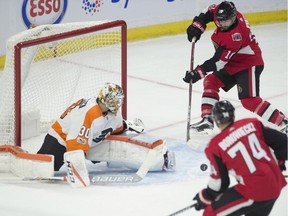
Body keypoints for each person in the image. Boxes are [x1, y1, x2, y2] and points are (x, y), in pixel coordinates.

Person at [183, 1, 287, 133]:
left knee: (249, 101)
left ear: (233, 17)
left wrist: (198, 72)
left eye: (226, 22)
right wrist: (197, 26)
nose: (223, 25)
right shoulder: (222, 12)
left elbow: (218, 62)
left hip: (248, 62)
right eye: (220, 22)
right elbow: (207, 13)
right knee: (211, 81)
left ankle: (283, 122)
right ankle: (207, 120)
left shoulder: (236, 36)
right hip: (233, 61)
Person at [37, 82, 175, 172]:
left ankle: (158, 159)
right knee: (44, 170)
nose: (118, 103)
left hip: (90, 141)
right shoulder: (89, 112)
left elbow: (117, 128)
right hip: (60, 139)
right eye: (115, 100)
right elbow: (74, 144)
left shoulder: (113, 112)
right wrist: (78, 171)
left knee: (119, 147)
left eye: (119, 100)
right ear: (106, 99)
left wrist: (128, 126)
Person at [192, 100, 287, 216]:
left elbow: (220, 183)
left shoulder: (215, 146)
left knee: (211, 213)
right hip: (275, 182)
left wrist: (206, 196)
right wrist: (279, 162)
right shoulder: (252, 124)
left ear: (216, 120)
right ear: (233, 115)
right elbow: (284, 143)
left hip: (255, 191)